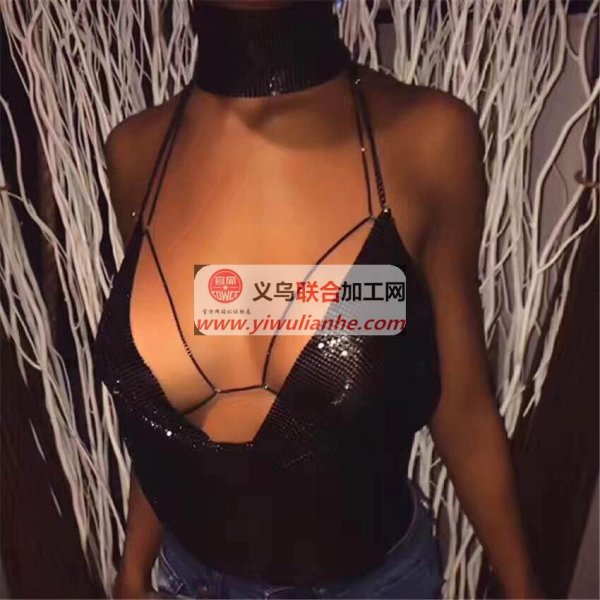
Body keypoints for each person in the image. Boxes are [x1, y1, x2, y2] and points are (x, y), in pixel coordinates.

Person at [92, 1, 543, 598]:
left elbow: (460, 403)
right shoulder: (136, 152)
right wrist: (132, 570)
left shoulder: (426, 139)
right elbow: (163, 414)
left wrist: (522, 587)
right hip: (189, 581)